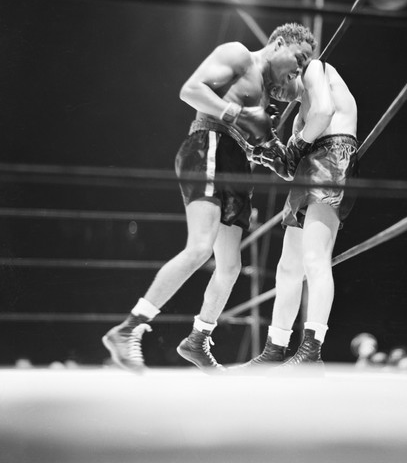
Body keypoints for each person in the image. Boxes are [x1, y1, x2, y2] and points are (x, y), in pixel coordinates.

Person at [102, 23, 317, 372]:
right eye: (299, 57)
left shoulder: (268, 91)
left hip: (235, 163)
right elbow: (190, 90)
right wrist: (237, 114)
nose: (299, 68)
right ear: (279, 43)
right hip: (209, 145)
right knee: (199, 248)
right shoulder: (238, 55)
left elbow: (284, 112)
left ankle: (197, 339)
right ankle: (128, 329)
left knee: (230, 267)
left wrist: (274, 150)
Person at [239, 57, 359, 368]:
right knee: (288, 268)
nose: (278, 93)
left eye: (277, 85)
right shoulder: (297, 119)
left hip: (333, 155)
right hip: (311, 166)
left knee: (314, 257)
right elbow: (290, 168)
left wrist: (294, 147)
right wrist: (269, 155)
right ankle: (274, 349)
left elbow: (323, 113)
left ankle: (311, 352)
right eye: (273, 92)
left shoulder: (314, 69)